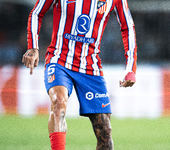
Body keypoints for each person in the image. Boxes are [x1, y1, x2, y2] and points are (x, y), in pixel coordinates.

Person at [22, 0, 137, 149]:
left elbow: (127, 27)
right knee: (58, 102)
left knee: (105, 131)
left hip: (91, 67)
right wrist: (33, 47)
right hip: (59, 61)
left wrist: (131, 68)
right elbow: (37, 12)